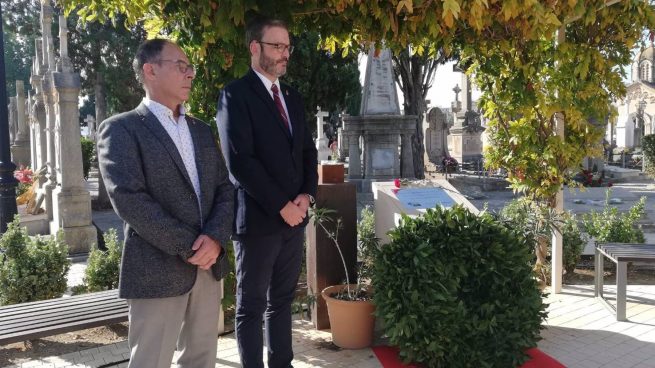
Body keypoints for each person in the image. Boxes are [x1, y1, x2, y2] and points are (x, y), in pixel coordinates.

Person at [97, 39, 233, 368]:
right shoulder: (121, 130)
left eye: (191, 68)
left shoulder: (201, 130)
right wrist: (191, 245)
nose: (190, 74)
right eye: (180, 66)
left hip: (207, 269)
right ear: (150, 70)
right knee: (151, 361)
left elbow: (225, 188)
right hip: (156, 269)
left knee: (202, 359)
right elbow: (130, 201)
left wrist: (214, 238)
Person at [216, 17, 318, 368]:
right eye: (277, 46)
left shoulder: (292, 96)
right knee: (251, 306)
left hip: (295, 219)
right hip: (258, 222)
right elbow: (241, 162)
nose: (284, 53)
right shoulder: (235, 95)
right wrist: (281, 206)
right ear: (254, 48)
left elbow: (307, 151)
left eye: (287, 46)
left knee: (284, 300)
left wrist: (306, 196)